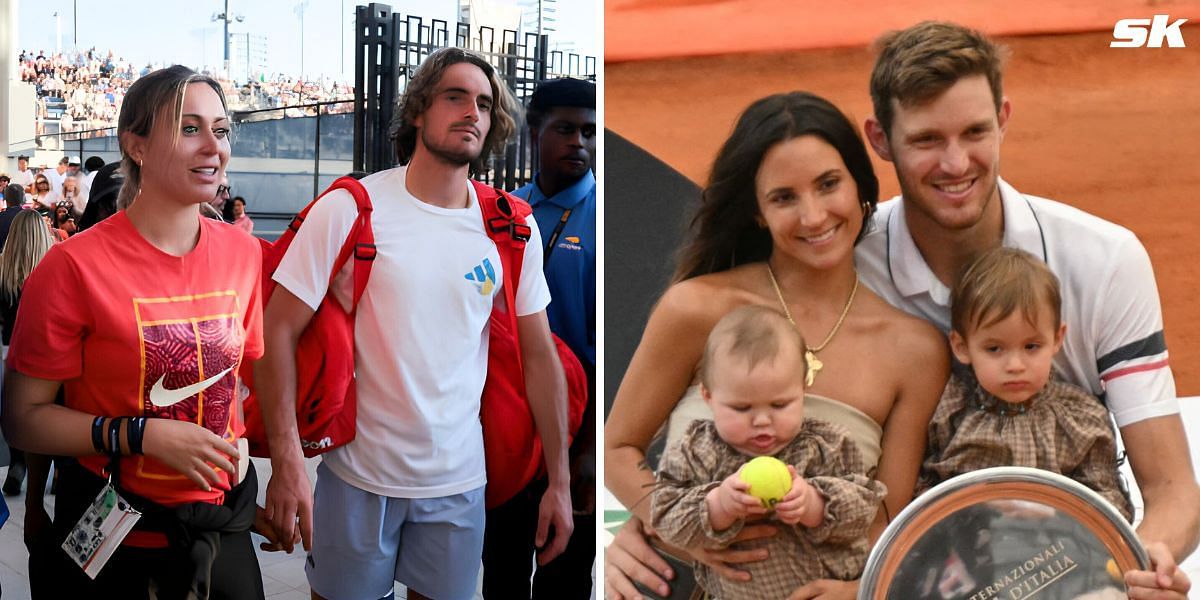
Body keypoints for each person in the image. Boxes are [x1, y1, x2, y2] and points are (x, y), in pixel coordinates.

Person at [855, 21, 1198, 597]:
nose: (956, 162)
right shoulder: (846, 267)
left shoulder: (1106, 260)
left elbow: (1172, 491)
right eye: (926, 140)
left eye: (975, 131)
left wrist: (1133, 570)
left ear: (1004, 119)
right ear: (880, 138)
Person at [255, 47, 574, 600]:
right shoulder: (351, 208)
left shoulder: (509, 226)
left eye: (483, 102)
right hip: (357, 477)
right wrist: (286, 461)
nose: (471, 111)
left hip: (459, 483)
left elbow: (540, 356)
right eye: (455, 96)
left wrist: (561, 483)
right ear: (419, 111)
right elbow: (275, 330)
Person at [603, 91, 949, 600]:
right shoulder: (695, 308)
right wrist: (681, 531)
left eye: (829, 185)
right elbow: (616, 448)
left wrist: (859, 593)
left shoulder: (916, 350)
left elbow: (887, 515)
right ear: (758, 212)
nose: (813, 217)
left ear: (861, 189)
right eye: (784, 197)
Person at [2, 65, 277, 598]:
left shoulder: (243, 252)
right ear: (138, 145)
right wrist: (140, 436)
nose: (212, 147)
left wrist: (286, 468)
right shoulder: (70, 268)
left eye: (220, 130)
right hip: (116, 533)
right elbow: (23, 419)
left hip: (221, 528)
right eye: (189, 128)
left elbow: (256, 371)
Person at [652, 305, 886, 599]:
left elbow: (866, 510)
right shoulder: (695, 450)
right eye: (741, 408)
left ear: (803, 390)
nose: (762, 421)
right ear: (708, 397)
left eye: (779, 405)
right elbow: (666, 519)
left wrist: (813, 504)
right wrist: (719, 505)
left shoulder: (827, 444)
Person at [484, 76, 597, 600]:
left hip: (574, 441)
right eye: (566, 129)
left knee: (565, 580)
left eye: (591, 132)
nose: (580, 142)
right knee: (501, 576)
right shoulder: (503, 213)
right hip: (506, 437)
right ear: (535, 133)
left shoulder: (604, 219)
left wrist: (586, 452)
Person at [919, 247, 1132, 521]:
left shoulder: (1081, 419)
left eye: (1031, 346)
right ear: (962, 347)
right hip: (968, 550)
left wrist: (1054, 512)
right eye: (994, 349)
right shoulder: (948, 411)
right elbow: (923, 492)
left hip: (1064, 552)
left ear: (1057, 338)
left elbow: (1109, 502)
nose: (1015, 365)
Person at [0, 209, 55, 499]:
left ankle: (17, 464)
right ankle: (53, 472)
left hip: (10, 353)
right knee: (49, 414)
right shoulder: (54, 268)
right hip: (48, 353)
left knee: (14, 414)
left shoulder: (3, 270)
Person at [0, 182, 25, 253]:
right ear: (23, 198)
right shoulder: (31, 217)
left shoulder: (2, 217)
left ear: (5, 199)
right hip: (27, 257)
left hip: (4, 258)